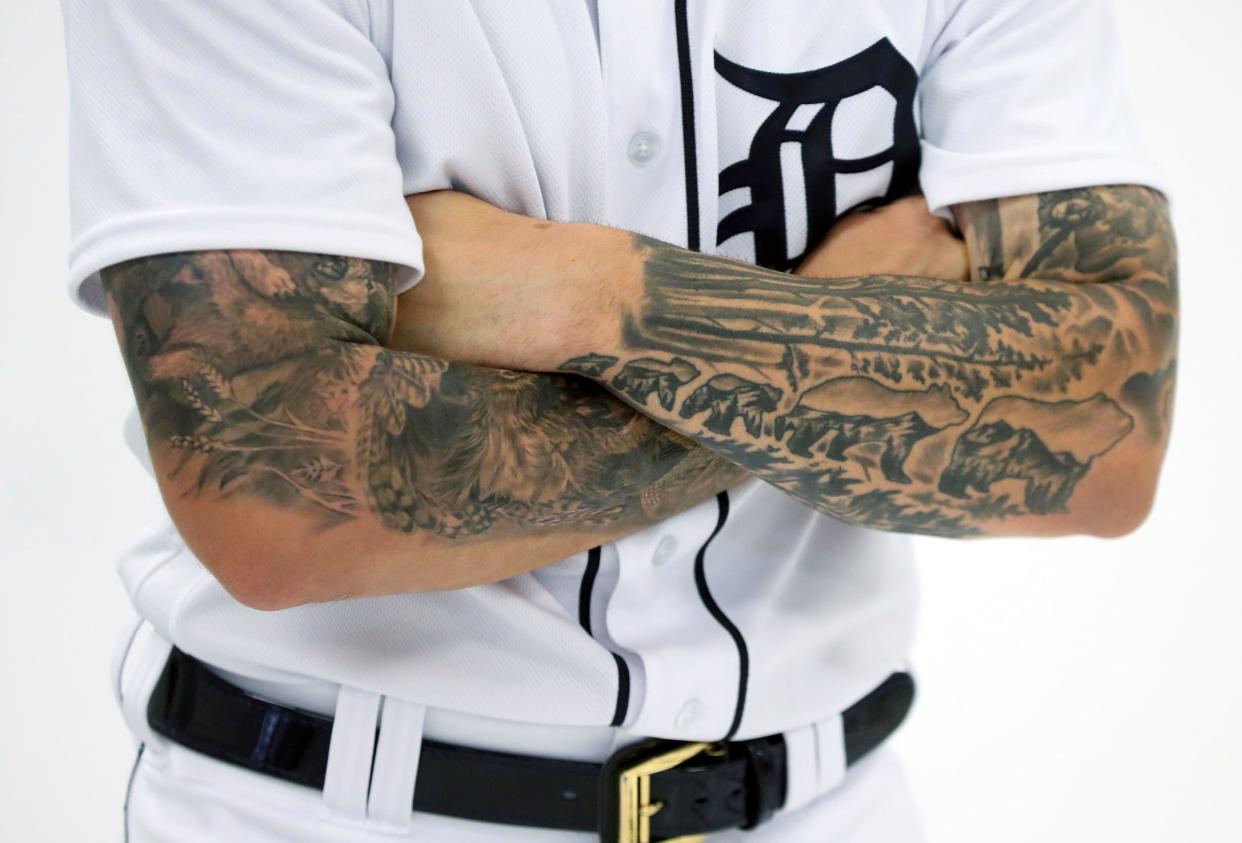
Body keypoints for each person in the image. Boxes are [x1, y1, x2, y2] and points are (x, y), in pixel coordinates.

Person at [60, 1, 1177, 840]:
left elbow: (1104, 446)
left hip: (835, 801)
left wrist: (588, 295)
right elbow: (284, 501)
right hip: (345, 806)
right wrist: (852, 344)